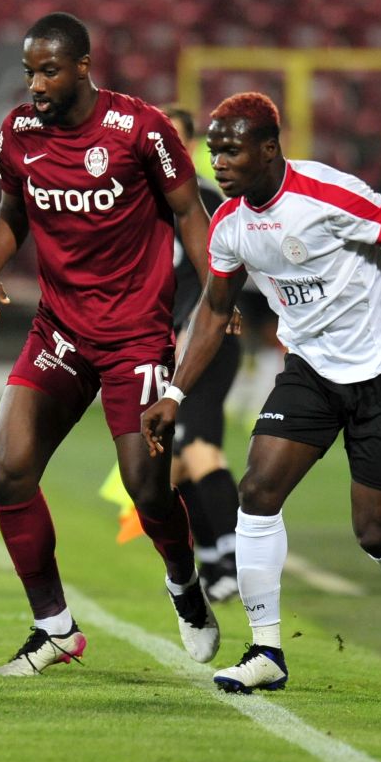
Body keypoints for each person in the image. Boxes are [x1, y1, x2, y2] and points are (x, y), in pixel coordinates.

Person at [142, 91, 381, 693]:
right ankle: (266, 650)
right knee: (257, 489)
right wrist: (175, 394)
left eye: (232, 150)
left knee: (374, 532)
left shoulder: (327, 193)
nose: (219, 162)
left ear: (270, 149)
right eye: (214, 151)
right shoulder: (228, 225)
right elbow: (214, 312)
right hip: (311, 370)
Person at [0, 12, 220, 676]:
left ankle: (182, 581)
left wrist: (217, 294)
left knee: (146, 488)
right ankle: (54, 628)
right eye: (29, 72)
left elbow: (189, 211)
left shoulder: (140, 129)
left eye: (48, 71)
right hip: (59, 329)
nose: (35, 85)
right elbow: (11, 209)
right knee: (8, 468)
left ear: (83, 66)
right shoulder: (19, 134)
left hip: (135, 337)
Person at [160, 104, 241, 602]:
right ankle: (212, 558)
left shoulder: (206, 200)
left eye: (173, 138)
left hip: (204, 341)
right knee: (171, 464)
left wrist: (196, 324)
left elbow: (221, 273)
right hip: (163, 346)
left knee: (198, 448)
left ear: (188, 147)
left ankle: (234, 559)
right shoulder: (131, 201)